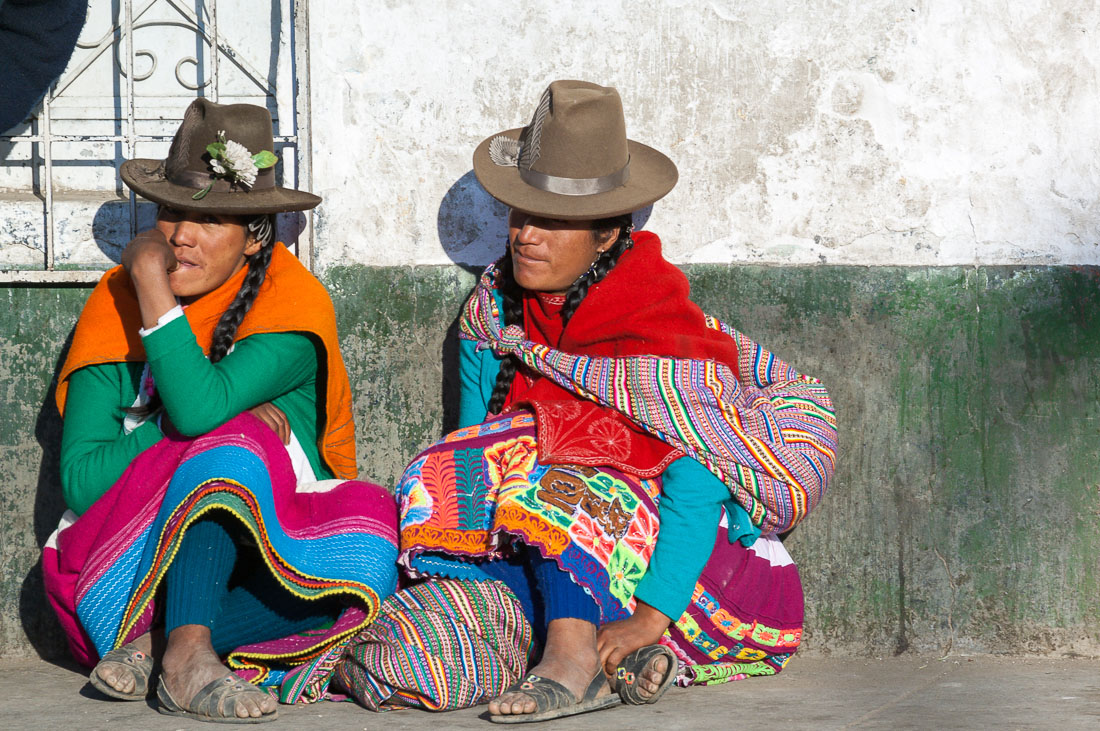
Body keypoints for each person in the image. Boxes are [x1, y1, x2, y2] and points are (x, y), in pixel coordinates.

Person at [394, 80, 837, 723]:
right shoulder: (494, 315)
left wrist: (650, 617)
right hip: (559, 553)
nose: (527, 236)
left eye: (554, 221)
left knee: (563, 475)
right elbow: (470, 445)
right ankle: (594, 657)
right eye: (522, 214)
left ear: (606, 235)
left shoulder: (657, 324)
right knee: (448, 478)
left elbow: (697, 477)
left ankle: (579, 658)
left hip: (687, 570)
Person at [41, 98, 399, 724]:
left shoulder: (291, 308)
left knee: (369, 544)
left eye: (211, 221)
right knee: (229, 439)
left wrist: (158, 303)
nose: (181, 236)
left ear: (256, 238)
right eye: (173, 213)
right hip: (116, 576)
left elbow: (199, 406)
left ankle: (170, 645)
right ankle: (187, 652)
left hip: (264, 574)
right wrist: (149, 289)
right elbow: (83, 480)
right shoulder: (116, 305)